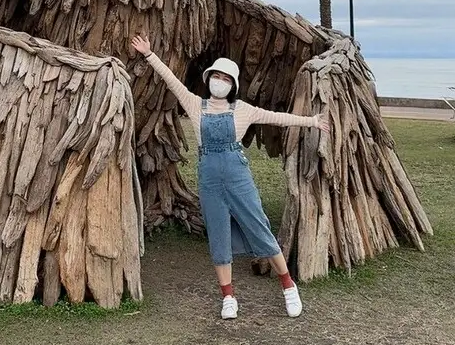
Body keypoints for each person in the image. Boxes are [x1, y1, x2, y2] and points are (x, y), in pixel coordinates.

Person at [130, 32, 330, 320]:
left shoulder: (243, 111)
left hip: (238, 178)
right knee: (219, 235)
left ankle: (288, 286)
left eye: (225, 78)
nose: (219, 82)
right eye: (216, 76)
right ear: (209, 78)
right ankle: (228, 297)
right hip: (209, 181)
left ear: (232, 84)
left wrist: (310, 121)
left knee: (259, 227)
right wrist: (149, 55)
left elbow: (276, 117)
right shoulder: (195, 104)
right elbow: (171, 81)